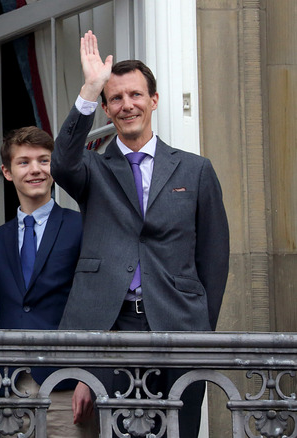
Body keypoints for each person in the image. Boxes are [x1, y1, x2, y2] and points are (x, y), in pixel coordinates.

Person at [51, 31, 230, 437]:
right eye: (115, 98)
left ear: (154, 99)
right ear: (106, 109)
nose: (127, 104)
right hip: (113, 327)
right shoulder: (92, 169)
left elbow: (214, 259)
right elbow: (61, 164)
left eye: (135, 95)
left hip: (179, 326)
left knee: (178, 432)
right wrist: (88, 89)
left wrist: (200, 326)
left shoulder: (195, 169)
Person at [0, 127, 94, 438]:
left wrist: (89, 376)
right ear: (7, 172)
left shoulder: (81, 227)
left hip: (67, 385)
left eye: (44, 160)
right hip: (8, 385)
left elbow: (97, 303)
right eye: (24, 162)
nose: (35, 169)